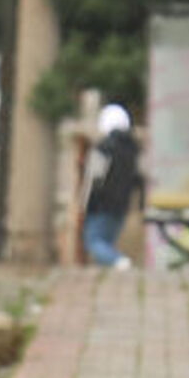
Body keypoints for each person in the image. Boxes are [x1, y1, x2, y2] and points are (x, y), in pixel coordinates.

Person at [81, 103, 144, 269]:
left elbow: (94, 178)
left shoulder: (102, 148)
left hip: (100, 205)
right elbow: (138, 178)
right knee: (107, 242)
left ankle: (119, 261)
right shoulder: (133, 149)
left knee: (93, 242)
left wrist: (87, 203)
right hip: (122, 205)